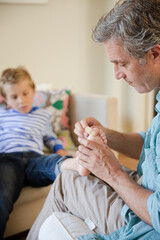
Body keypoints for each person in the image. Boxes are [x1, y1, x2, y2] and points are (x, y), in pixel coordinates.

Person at [27, 0, 160, 239]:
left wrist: (112, 171)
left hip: (144, 222)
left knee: (66, 181)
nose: (117, 74)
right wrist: (107, 135)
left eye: (122, 63)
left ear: (155, 53)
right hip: (144, 188)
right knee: (68, 176)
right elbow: (150, 143)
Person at [0, 66, 97, 239]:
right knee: (3, 193)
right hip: (8, 159)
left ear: (33, 91)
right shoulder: (2, 114)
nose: (21, 100)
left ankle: (74, 163)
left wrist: (60, 151)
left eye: (25, 93)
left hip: (34, 159)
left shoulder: (42, 115)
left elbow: (50, 139)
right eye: (14, 97)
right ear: (6, 99)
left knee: (51, 163)